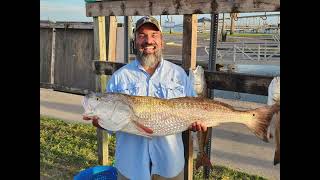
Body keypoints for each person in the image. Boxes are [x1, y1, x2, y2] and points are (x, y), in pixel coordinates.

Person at [84, 16, 207, 180]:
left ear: (161, 41)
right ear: (135, 41)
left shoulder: (178, 74)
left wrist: (197, 123)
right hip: (130, 167)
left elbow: (194, 109)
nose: (148, 41)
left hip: (169, 164)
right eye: (142, 35)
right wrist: (100, 122)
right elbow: (113, 124)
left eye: (154, 35)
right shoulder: (120, 77)